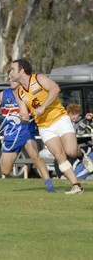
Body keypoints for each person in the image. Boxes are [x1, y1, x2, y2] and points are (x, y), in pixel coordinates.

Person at [10, 58, 93, 194]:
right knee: (59, 155)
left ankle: (81, 155)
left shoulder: (38, 78)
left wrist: (43, 107)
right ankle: (76, 185)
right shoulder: (19, 93)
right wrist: (23, 118)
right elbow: (24, 113)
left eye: (13, 69)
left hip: (60, 118)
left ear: (22, 70)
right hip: (44, 126)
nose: (10, 72)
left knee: (71, 151)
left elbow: (55, 89)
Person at [0, 73, 57, 193]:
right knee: (5, 171)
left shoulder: (28, 93)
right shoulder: (3, 95)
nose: (10, 80)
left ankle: (49, 185)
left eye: (12, 78)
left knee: (34, 156)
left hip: (26, 131)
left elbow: (40, 105)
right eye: (9, 78)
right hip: (10, 135)